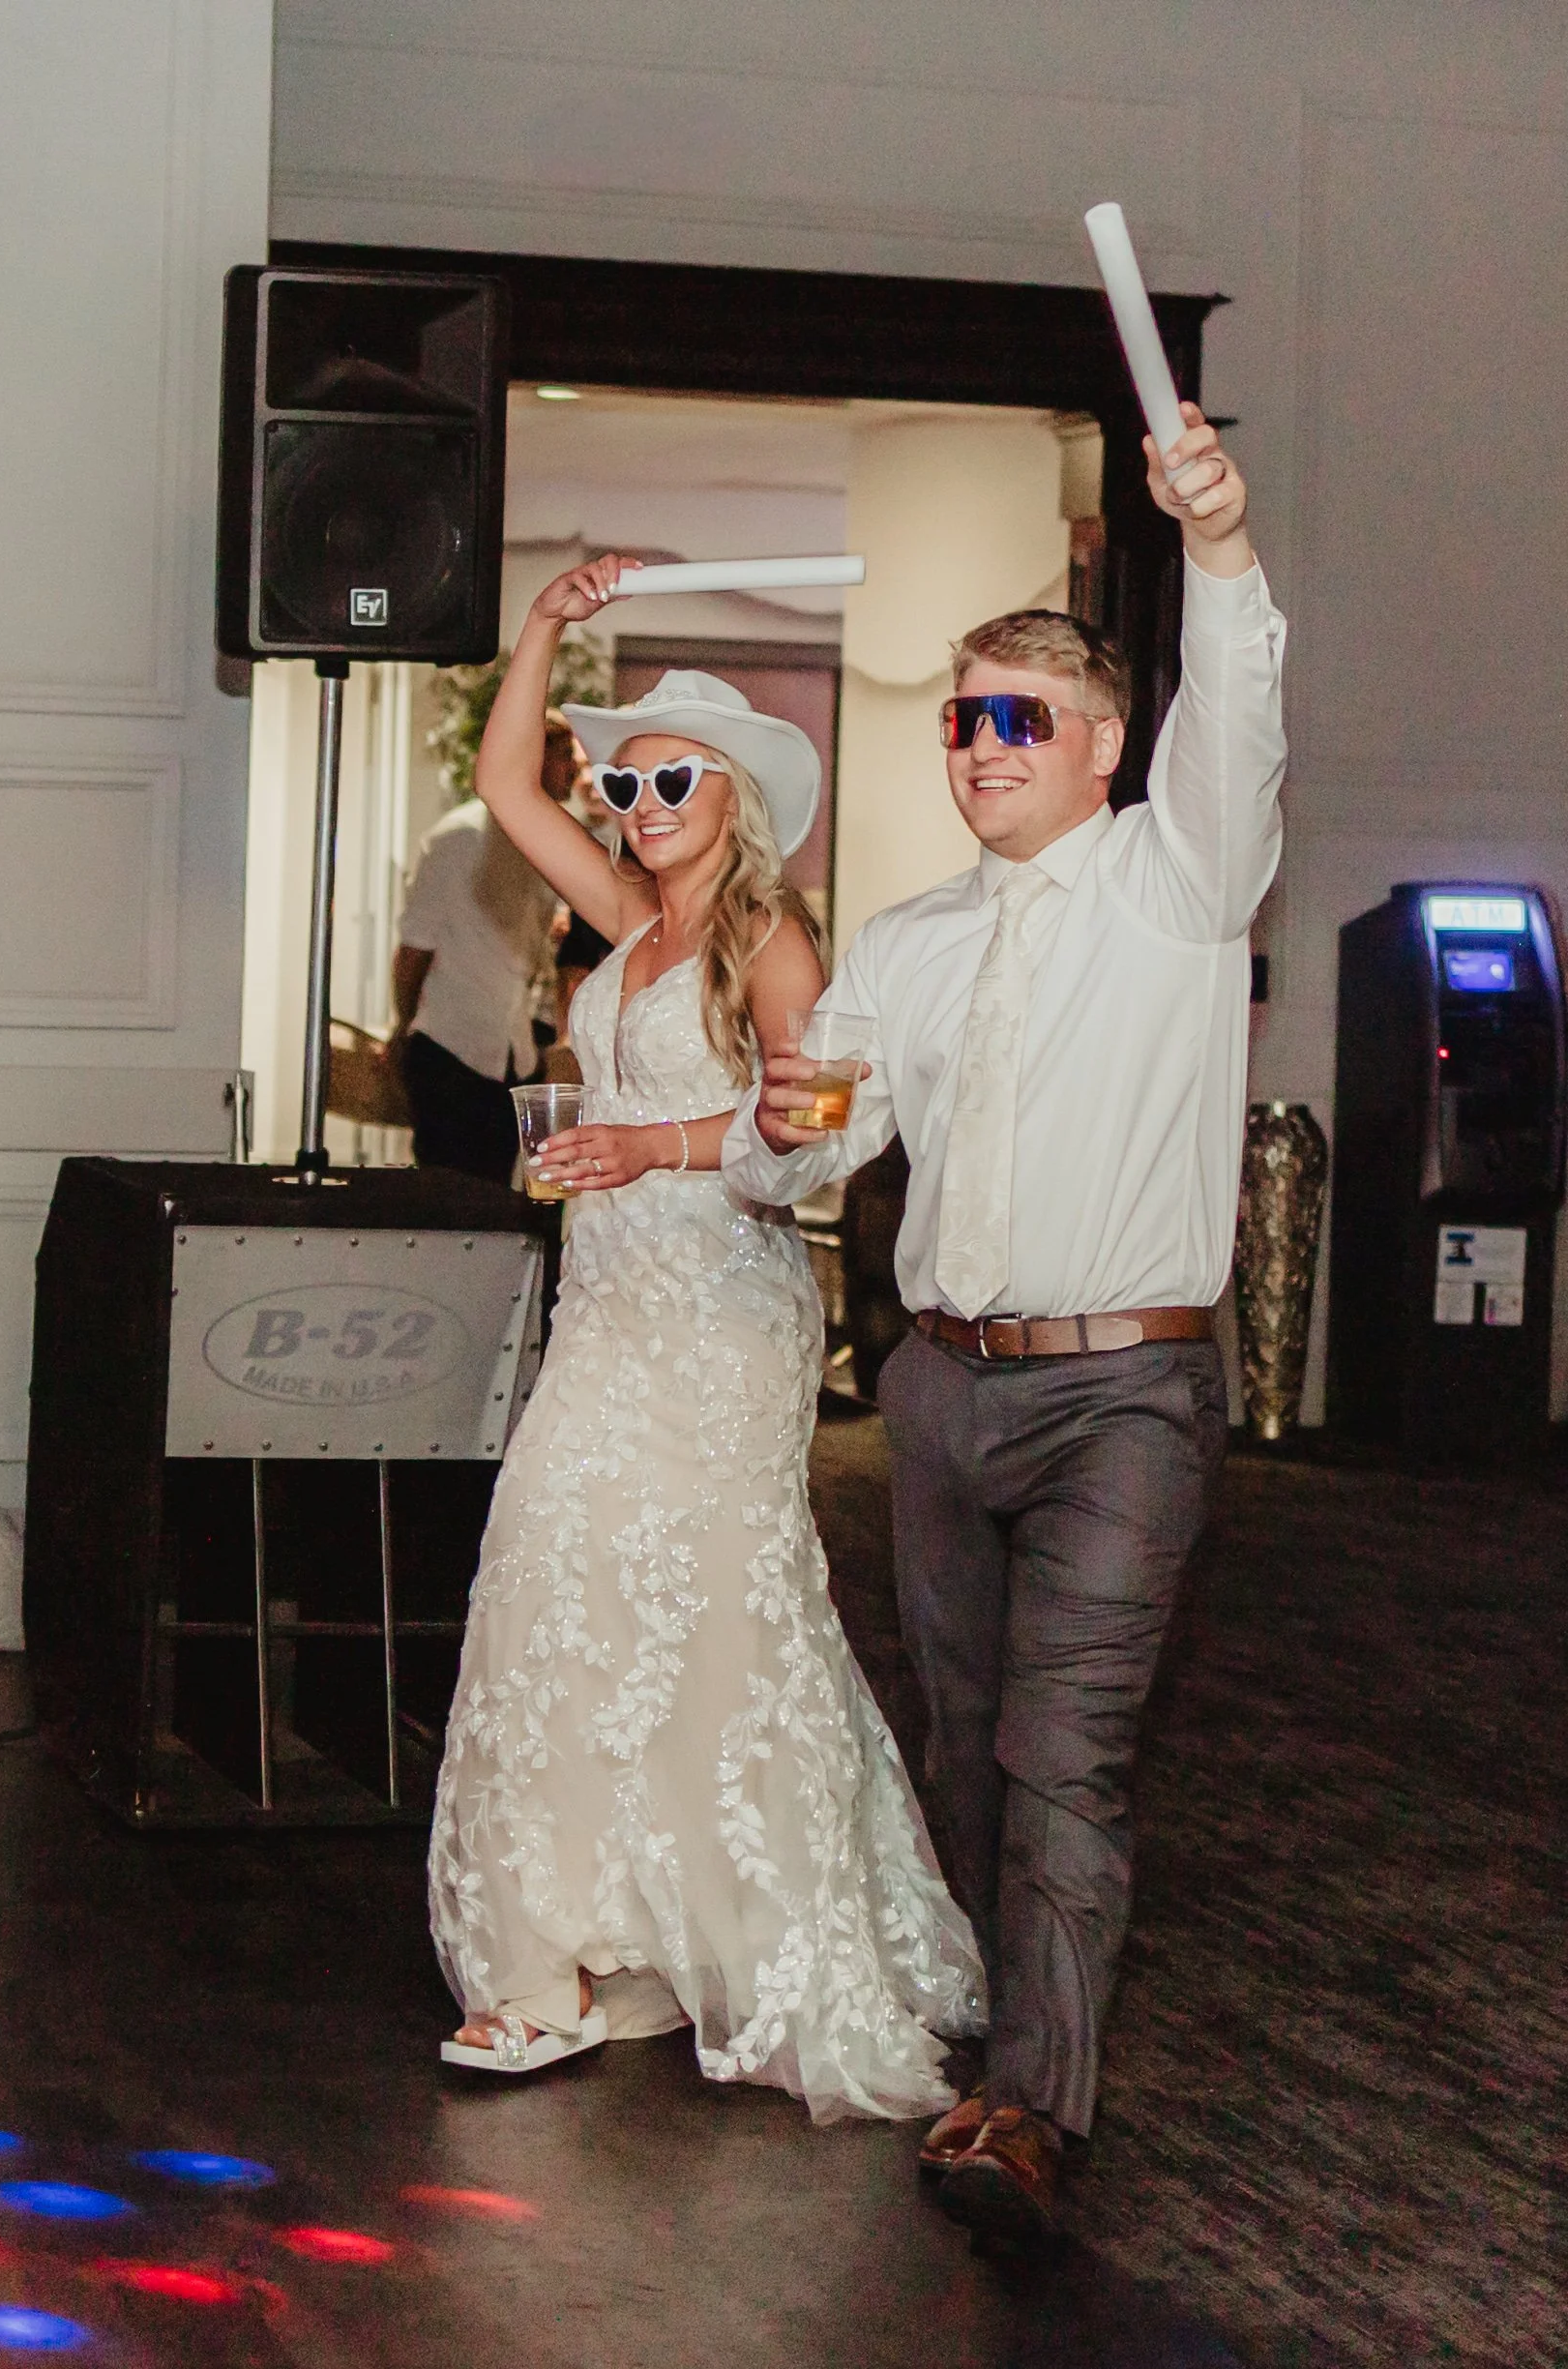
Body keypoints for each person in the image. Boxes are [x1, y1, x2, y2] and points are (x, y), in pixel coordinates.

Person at [724, 405, 1287, 2240]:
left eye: (1012, 717)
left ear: (1104, 746)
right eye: (958, 719)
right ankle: (998, 2021)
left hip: (1125, 1386)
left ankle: (1036, 2097)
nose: (974, 746)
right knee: (967, 1735)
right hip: (939, 1390)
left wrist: (1211, 539)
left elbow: (1241, 700)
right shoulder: (907, 936)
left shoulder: (1182, 881)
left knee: (1066, 1746)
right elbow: (818, 1137)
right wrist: (773, 1121)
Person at [428, 555, 985, 2122]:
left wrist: (646, 1146)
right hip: (606, 1310)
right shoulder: (622, 923)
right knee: (556, 1577)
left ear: (732, 794)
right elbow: (500, 781)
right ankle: (577, 1948)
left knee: (711, 1609)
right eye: (624, 775)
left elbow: (809, 1128)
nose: (637, 796)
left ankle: (688, 1935)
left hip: (719, 1324)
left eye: (670, 775)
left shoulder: (771, 943)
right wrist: (544, 622)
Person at [391, 714, 581, 1181]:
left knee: (502, 1198)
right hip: (452, 1052)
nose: (576, 768)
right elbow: (415, 948)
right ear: (534, 760)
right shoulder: (460, 838)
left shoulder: (544, 841)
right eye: (564, 756)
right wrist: (404, 1025)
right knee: (451, 1202)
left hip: (515, 1056)